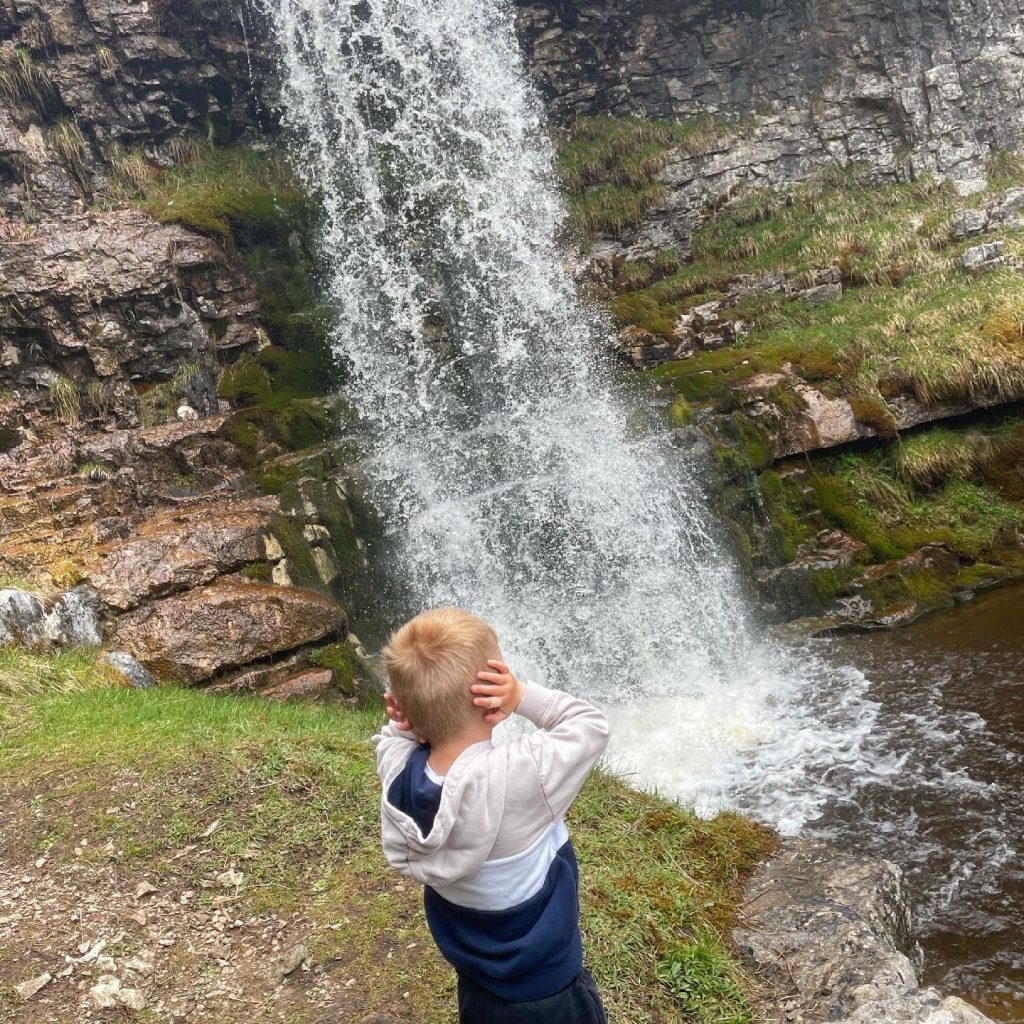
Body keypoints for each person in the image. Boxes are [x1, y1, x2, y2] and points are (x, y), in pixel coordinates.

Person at [373, 606, 610, 1024]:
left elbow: (393, 736)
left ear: (402, 711)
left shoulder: (396, 771)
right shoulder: (523, 775)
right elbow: (589, 725)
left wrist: (410, 718)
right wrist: (521, 696)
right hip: (551, 991)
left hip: (479, 987)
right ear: (490, 700)